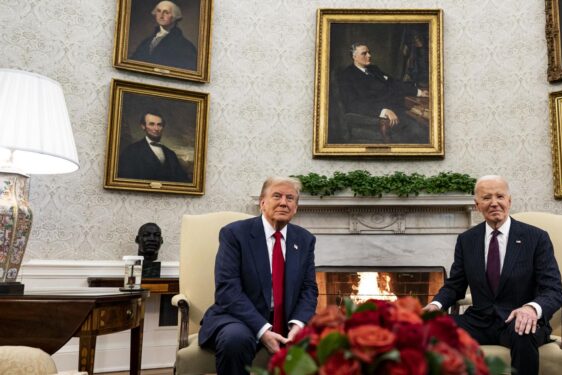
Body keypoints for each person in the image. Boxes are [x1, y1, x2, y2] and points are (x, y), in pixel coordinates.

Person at [423, 175, 562, 374]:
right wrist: (435, 305)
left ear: (509, 200)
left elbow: (554, 290)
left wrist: (531, 309)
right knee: (429, 329)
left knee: (523, 331)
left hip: (519, 320)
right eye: (487, 198)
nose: (494, 203)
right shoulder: (466, 240)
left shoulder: (536, 237)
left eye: (500, 196)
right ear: (477, 204)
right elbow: (454, 286)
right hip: (479, 321)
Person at [199, 176, 318, 374]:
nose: (283, 202)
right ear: (262, 203)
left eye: (290, 198)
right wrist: (263, 330)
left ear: (295, 208)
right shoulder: (235, 234)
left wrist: (298, 324)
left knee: (325, 338)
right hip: (239, 317)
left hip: (287, 318)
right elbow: (228, 290)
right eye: (277, 196)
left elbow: (309, 289)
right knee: (235, 339)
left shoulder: (305, 239)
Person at [337, 42, 429, 143]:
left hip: (398, 108)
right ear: (354, 57)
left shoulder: (374, 69)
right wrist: (383, 111)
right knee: (420, 131)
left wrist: (418, 92)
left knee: (424, 123)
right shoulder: (347, 76)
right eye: (364, 53)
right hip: (378, 117)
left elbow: (393, 83)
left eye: (369, 52)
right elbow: (353, 104)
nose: (369, 55)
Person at [118, 109, 190, 183]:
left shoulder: (171, 154)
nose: (156, 128)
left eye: (159, 125)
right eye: (151, 124)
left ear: (163, 127)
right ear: (143, 126)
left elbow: (183, 181)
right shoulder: (131, 151)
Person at [130, 1, 198, 70]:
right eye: (159, 11)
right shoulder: (147, 42)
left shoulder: (185, 46)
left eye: (166, 12)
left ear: (174, 16)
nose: (161, 15)